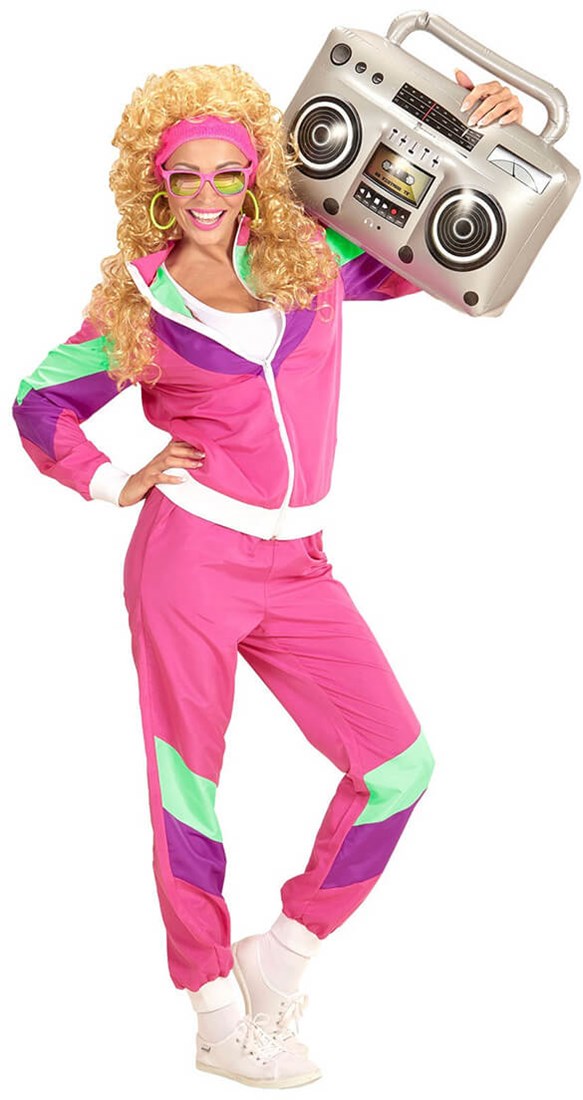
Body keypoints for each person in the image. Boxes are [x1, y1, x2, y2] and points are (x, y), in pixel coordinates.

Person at [12, 63, 524, 1088]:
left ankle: (281, 955)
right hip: (188, 564)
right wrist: (116, 479)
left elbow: (427, 237)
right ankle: (211, 1011)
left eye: (227, 172)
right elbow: (38, 400)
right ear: (156, 183)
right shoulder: (138, 304)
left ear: (255, 174)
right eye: (184, 175)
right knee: (189, 793)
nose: (207, 193)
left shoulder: (308, 258)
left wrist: (471, 128)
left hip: (299, 566)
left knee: (398, 766)